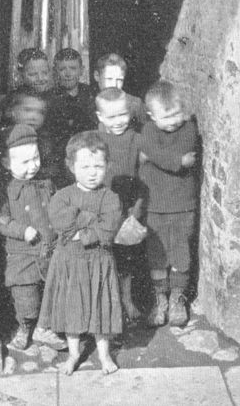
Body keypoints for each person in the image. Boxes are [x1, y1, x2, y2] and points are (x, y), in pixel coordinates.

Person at [37, 130, 122, 375]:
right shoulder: (62, 196)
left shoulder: (111, 198)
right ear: (71, 167)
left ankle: (104, 353)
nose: (92, 172)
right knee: (72, 307)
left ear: (108, 166)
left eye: (98, 166)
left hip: (98, 262)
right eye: (85, 166)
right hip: (70, 263)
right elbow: (60, 222)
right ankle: (74, 353)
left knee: (100, 307)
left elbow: (107, 228)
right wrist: (90, 220)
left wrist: (81, 229)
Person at [0, 122, 66, 351]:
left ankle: (45, 329)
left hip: (48, 248)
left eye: (35, 158)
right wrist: (21, 230)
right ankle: (25, 326)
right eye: (24, 162)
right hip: (23, 255)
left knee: (50, 292)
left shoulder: (46, 183)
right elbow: (2, 220)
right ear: (7, 163)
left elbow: (56, 208)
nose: (32, 166)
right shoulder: (6, 190)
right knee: (26, 297)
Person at [139, 80, 199, 328]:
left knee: (180, 253)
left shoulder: (187, 129)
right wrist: (174, 159)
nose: (174, 120)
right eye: (167, 116)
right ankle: (159, 299)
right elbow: (149, 149)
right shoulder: (148, 132)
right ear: (151, 116)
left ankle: (178, 298)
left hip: (182, 204)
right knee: (157, 255)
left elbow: (186, 154)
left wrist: (152, 157)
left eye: (177, 113)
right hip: (155, 206)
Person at [95, 87, 145, 321]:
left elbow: (144, 178)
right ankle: (107, 304)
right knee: (103, 258)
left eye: (123, 115)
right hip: (102, 212)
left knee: (126, 259)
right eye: (111, 117)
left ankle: (127, 299)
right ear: (100, 117)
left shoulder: (136, 139)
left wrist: (135, 212)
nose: (118, 121)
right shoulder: (96, 140)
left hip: (127, 209)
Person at [3, 86, 68, 188]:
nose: (34, 117)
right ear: (10, 111)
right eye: (27, 110)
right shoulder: (6, 138)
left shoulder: (45, 141)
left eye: (40, 112)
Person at [47, 48, 93, 171]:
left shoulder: (90, 94)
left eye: (73, 68)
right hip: (59, 159)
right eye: (62, 69)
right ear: (55, 72)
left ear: (82, 70)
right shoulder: (49, 98)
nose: (68, 74)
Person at [93, 52, 147, 130]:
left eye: (119, 80)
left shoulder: (135, 104)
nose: (114, 85)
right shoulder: (89, 103)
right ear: (97, 76)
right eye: (109, 79)